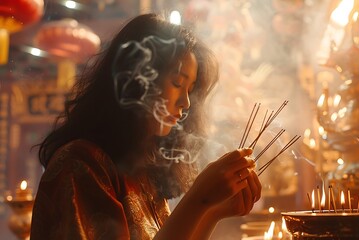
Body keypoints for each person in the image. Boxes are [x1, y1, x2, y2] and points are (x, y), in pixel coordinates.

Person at [30, 13, 261, 240]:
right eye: (177, 83)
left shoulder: (142, 171)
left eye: (190, 90)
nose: (186, 103)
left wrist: (212, 212)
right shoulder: (80, 163)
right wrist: (197, 200)